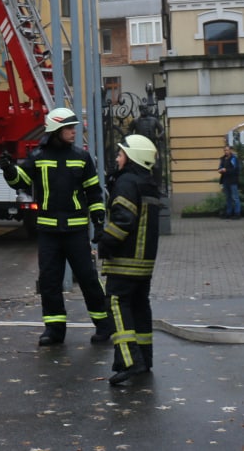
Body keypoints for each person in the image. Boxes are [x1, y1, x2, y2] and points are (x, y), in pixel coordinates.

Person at [0, 106, 113, 347]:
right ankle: (54, 330)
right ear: (56, 131)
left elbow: (94, 193)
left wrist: (99, 223)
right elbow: (20, 182)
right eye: (69, 128)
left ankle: (104, 325)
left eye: (74, 127)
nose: (74, 131)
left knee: (88, 279)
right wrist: (8, 170)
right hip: (49, 233)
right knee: (50, 281)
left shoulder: (82, 158)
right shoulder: (39, 157)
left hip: (76, 231)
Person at [99, 133, 162, 386]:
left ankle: (129, 361)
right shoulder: (148, 184)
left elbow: (123, 221)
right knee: (139, 307)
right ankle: (144, 359)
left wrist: (104, 241)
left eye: (121, 153)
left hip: (125, 260)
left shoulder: (126, 183)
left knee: (116, 304)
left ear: (132, 157)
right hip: (144, 262)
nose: (117, 157)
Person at [217, 144, 240, 220]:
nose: (226, 151)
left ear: (230, 150)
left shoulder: (234, 159)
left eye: (227, 150)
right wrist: (220, 170)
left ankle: (237, 213)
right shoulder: (222, 159)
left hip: (233, 180)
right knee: (228, 198)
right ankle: (228, 213)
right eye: (224, 150)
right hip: (225, 180)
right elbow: (220, 167)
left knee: (235, 198)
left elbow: (236, 169)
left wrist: (226, 170)